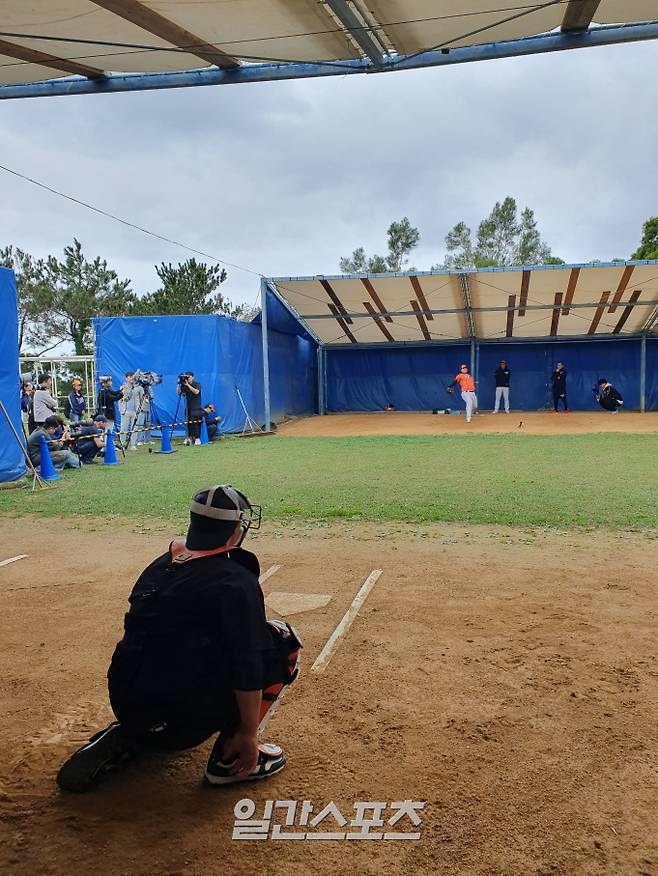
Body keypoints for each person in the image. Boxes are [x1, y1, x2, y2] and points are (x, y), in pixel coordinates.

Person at [56, 485, 302, 793]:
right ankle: (228, 762)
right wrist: (250, 732)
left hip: (126, 700)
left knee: (178, 650)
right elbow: (247, 663)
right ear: (234, 529)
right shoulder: (235, 581)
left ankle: (135, 733)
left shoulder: (163, 564)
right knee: (281, 641)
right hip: (181, 724)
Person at [118, 372, 145, 450]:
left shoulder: (139, 388)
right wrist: (121, 410)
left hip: (135, 411)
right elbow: (120, 399)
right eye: (129, 377)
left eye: (132, 377)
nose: (130, 378)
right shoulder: (123, 387)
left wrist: (140, 410)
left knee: (134, 428)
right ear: (126, 378)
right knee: (123, 428)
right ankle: (122, 444)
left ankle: (133, 444)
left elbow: (142, 399)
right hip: (125, 411)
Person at [177, 371, 202, 445]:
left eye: (189, 377)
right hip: (188, 407)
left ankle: (197, 438)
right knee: (187, 423)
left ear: (192, 377)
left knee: (195, 423)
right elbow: (178, 393)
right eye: (186, 377)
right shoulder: (184, 385)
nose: (188, 378)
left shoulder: (197, 384)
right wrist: (178, 384)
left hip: (196, 407)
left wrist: (188, 385)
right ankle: (189, 438)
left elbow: (196, 392)